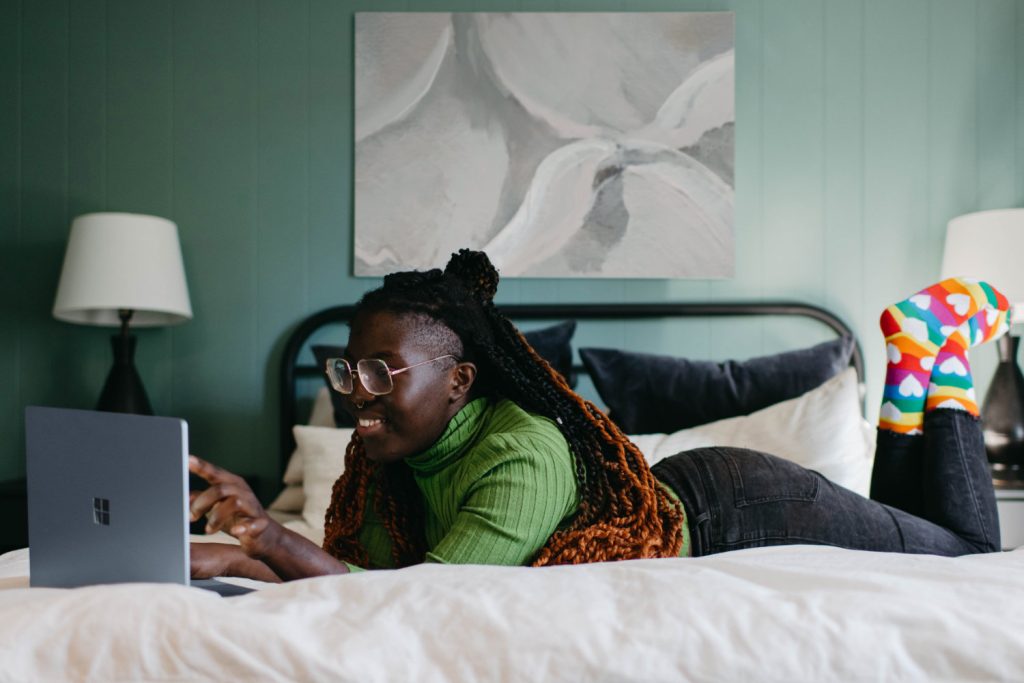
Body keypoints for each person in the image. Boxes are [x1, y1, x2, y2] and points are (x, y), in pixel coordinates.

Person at [189, 250, 1006, 581]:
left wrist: (268, 537)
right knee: (915, 534)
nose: (354, 391)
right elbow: (358, 583)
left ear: (460, 382)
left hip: (745, 509)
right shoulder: (380, 465)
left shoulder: (522, 455)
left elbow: (425, 598)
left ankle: (945, 364)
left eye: (379, 371)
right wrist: (246, 560)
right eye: (346, 367)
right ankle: (917, 354)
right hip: (697, 498)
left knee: (964, 555)